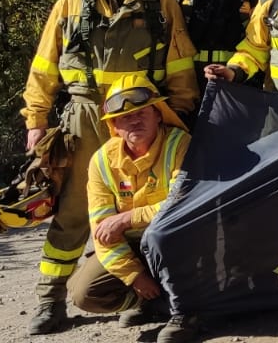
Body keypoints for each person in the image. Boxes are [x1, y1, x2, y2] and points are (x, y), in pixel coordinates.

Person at [21, 0, 198, 335]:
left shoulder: (161, 3)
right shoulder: (72, 2)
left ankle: (144, 295)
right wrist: (36, 120)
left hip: (142, 119)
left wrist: (179, 118)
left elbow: (179, 70)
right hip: (85, 118)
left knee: (154, 206)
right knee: (73, 213)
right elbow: (44, 66)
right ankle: (50, 301)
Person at [67, 75, 198, 343]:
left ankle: (189, 313)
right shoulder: (102, 161)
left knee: (159, 234)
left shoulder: (179, 144)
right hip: (136, 248)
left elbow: (182, 207)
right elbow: (101, 229)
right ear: (114, 125)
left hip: (177, 241)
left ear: (158, 115)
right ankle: (151, 303)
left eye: (141, 113)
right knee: (83, 292)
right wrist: (135, 276)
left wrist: (128, 218)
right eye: (125, 117)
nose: (134, 120)